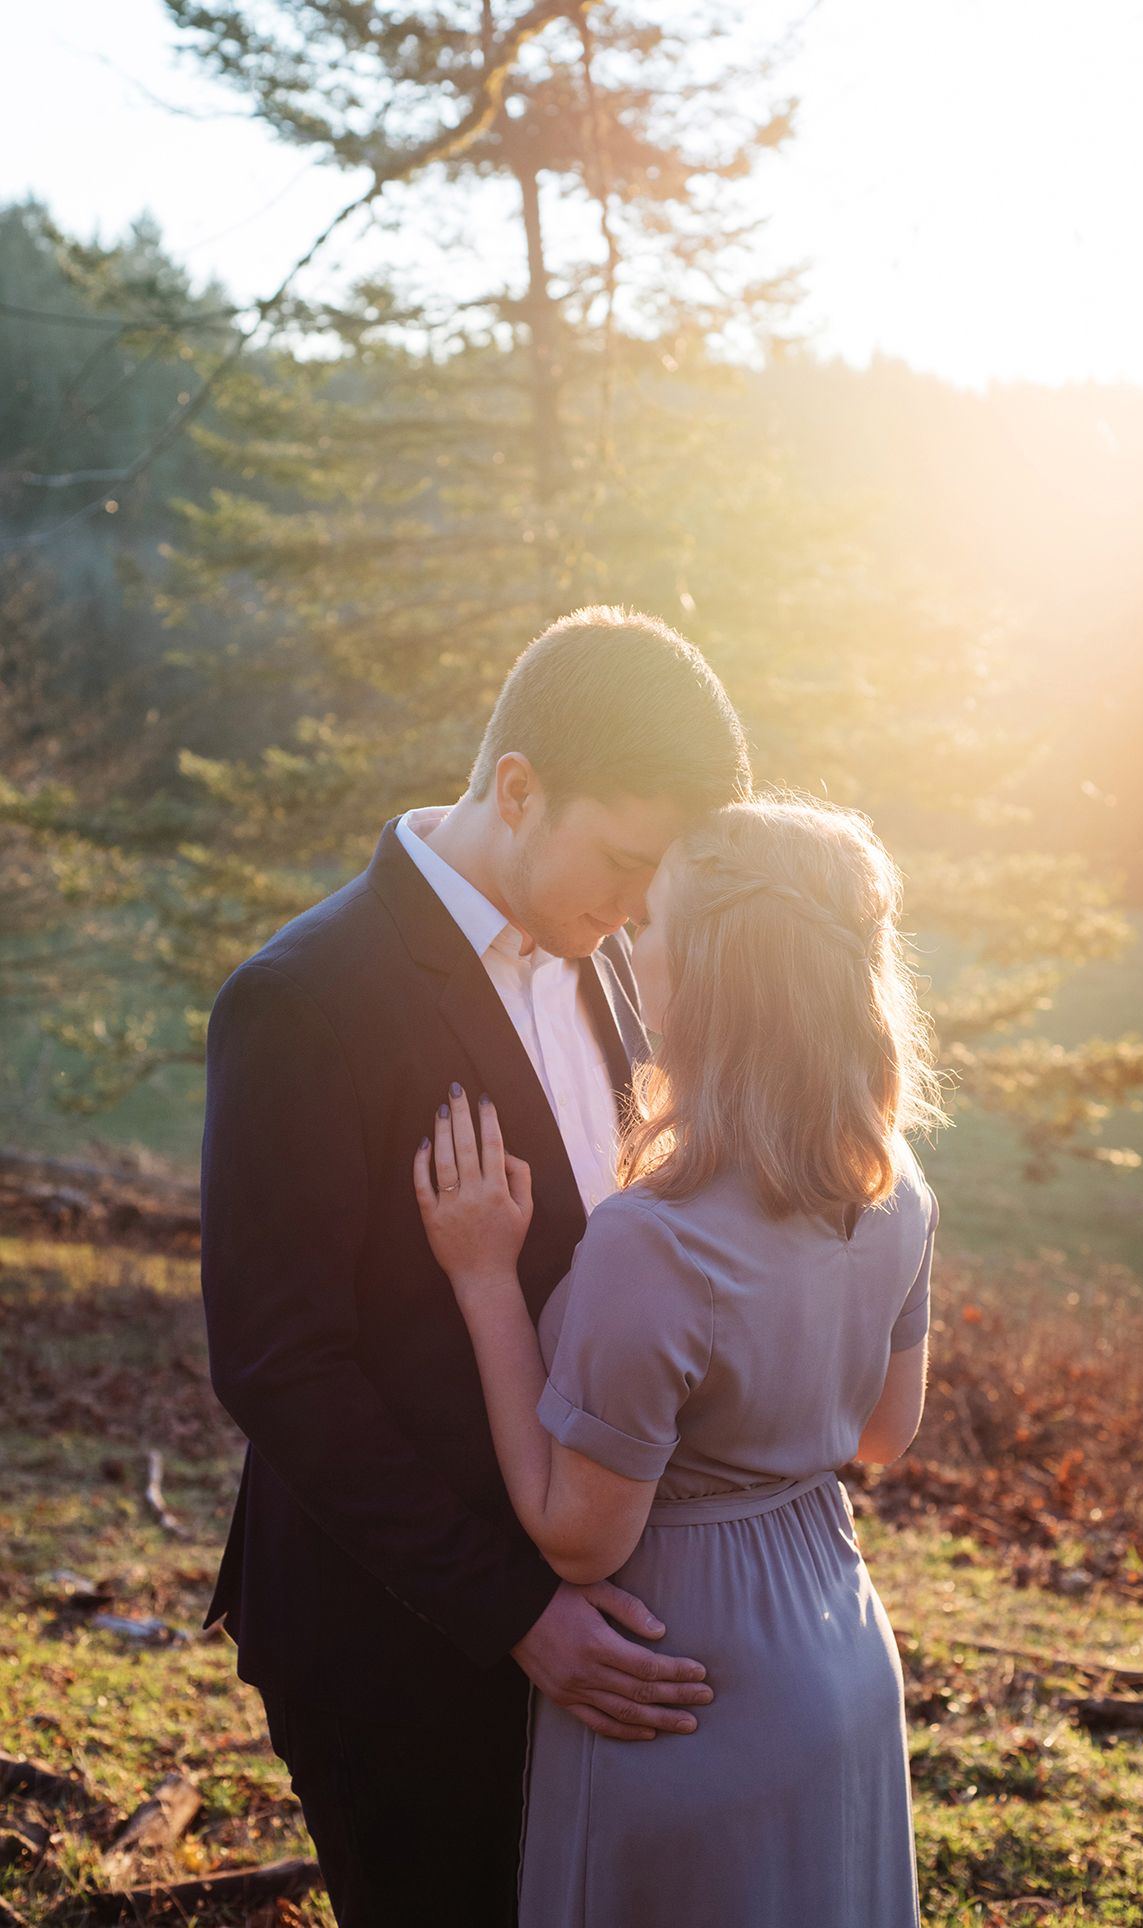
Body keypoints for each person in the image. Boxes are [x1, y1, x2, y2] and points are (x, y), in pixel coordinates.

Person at [199, 607, 751, 1927]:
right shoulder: (305, 999)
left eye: (653, 883)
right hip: (395, 1633)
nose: (631, 911)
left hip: (586, 1607)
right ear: (518, 789)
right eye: (619, 862)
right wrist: (517, 1613)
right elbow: (281, 1367)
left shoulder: (600, 959)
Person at [414, 793, 942, 1927]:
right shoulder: (893, 1187)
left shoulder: (651, 1238)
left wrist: (483, 1279)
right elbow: (880, 1434)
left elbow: (576, 1528)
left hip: (685, 1689)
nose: (624, 941)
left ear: (707, 977)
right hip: (838, 1648)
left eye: (650, 924)